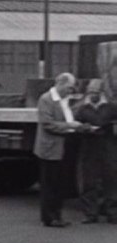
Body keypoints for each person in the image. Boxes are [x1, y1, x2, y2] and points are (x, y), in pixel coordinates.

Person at [33, 73, 87, 227]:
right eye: (69, 87)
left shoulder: (65, 100)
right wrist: (70, 126)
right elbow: (48, 124)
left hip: (63, 145)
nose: (71, 91)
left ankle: (57, 215)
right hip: (50, 148)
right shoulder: (46, 99)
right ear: (60, 84)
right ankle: (49, 217)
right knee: (50, 183)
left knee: (60, 183)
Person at [73, 79, 110, 223]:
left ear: (101, 92)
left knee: (110, 180)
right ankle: (90, 214)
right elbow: (73, 122)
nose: (93, 94)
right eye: (90, 92)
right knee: (88, 181)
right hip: (88, 147)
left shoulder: (110, 107)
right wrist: (84, 128)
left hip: (107, 147)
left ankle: (111, 212)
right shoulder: (82, 107)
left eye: (96, 92)